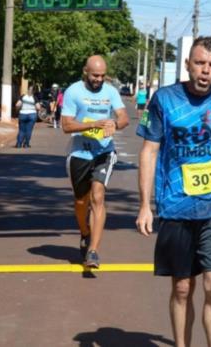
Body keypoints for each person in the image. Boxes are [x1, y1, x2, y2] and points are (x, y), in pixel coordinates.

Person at [135, 36, 211, 347]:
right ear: (187, 64)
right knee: (183, 288)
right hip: (176, 207)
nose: (205, 71)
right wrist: (145, 205)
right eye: (199, 63)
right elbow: (149, 151)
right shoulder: (164, 99)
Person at [61, 55, 130, 268]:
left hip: (104, 152)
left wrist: (115, 125)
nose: (99, 79)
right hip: (80, 154)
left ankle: (93, 251)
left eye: (102, 76)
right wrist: (92, 126)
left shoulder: (110, 91)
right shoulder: (73, 91)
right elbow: (66, 125)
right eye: (95, 75)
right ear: (85, 72)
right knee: (81, 201)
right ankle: (84, 232)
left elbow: (124, 118)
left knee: (98, 196)